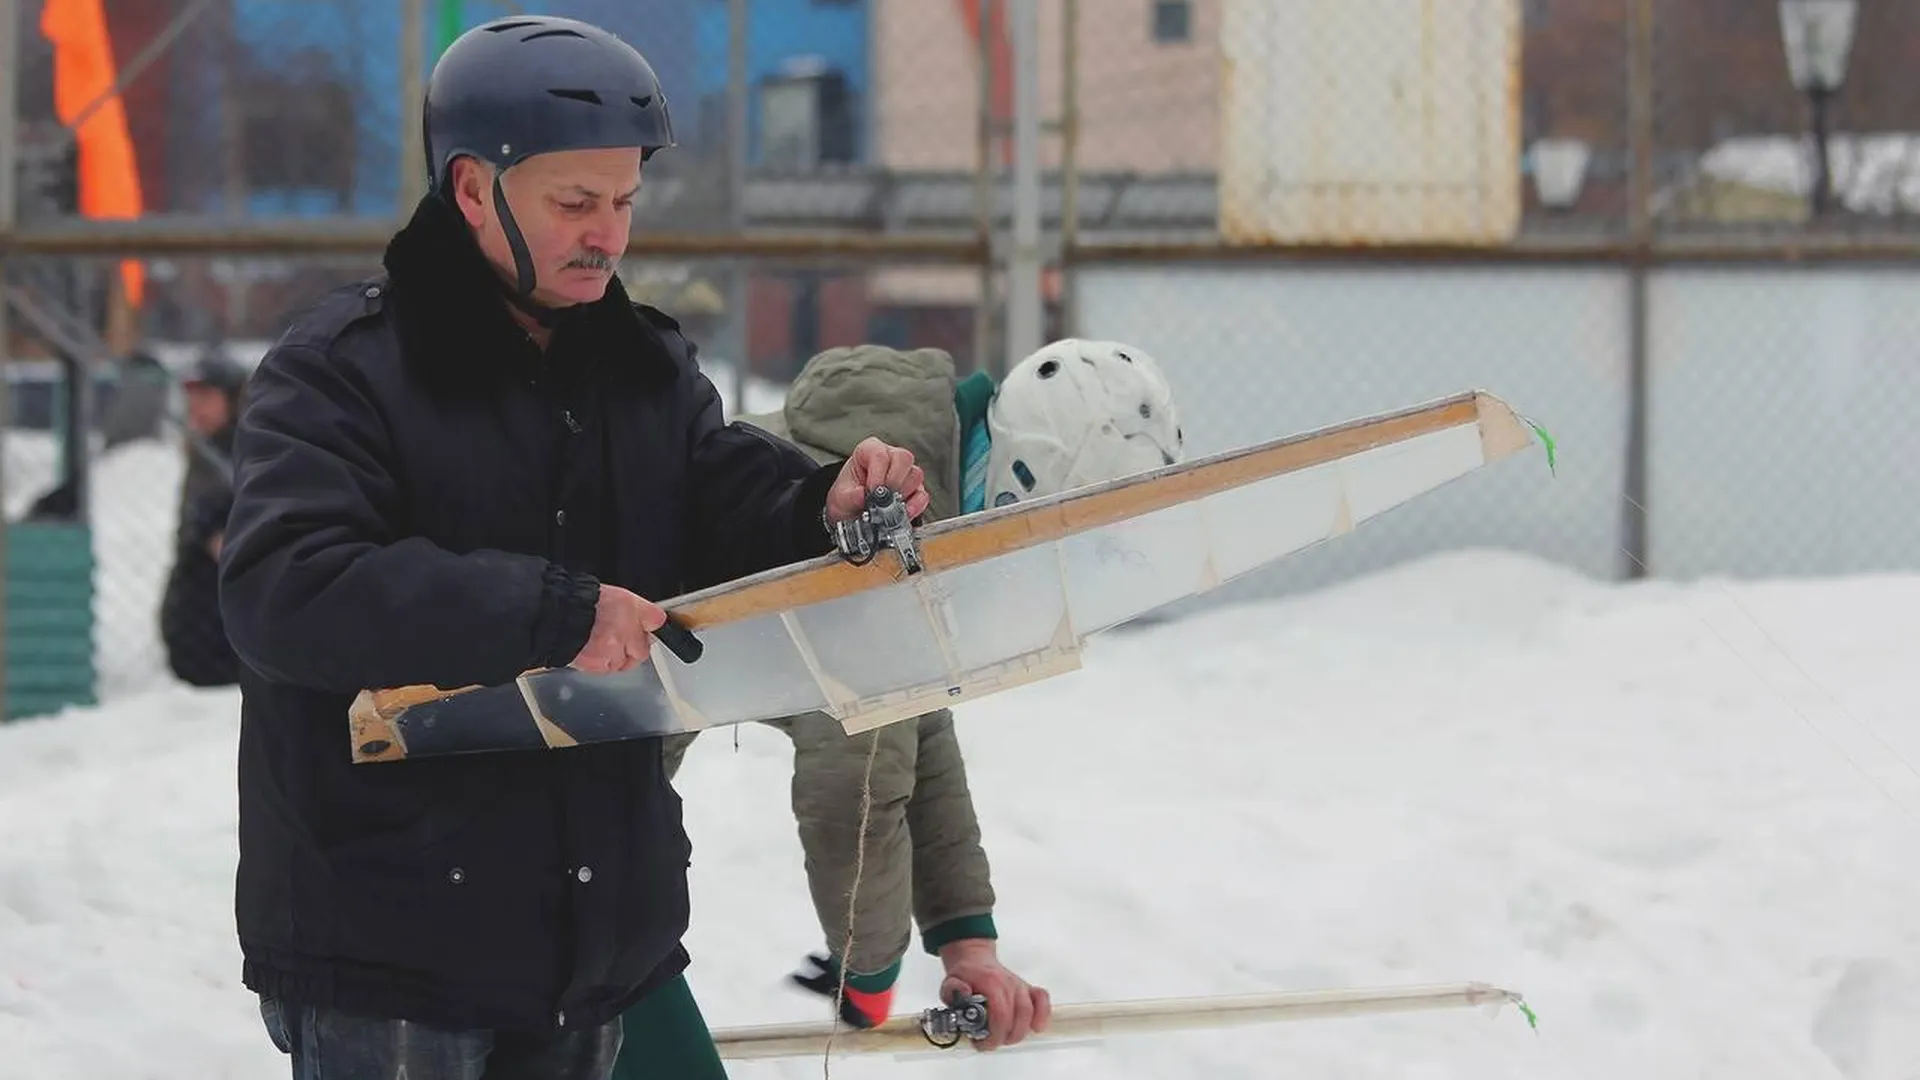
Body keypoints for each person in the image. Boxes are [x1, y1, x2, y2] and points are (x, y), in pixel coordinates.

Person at [215, 16, 930, 1080]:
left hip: (590, 939)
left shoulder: (637, 366)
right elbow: (287, 591)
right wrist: (552, 613)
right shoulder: (342, 371)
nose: (610, 234)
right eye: (576, 203)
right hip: (394, 944)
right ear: (471, 189)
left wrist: (822, 500)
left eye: (625, 201)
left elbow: (714, 492)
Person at [622, 338, 1184, 1076]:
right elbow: (852, 786)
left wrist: (966, 937)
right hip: (542, 791)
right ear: (1021, 494)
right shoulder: (879, 525)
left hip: (588, 817)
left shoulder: (919, 503)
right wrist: (869, 983)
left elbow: (914, 725)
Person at [159, 351, 248, 687]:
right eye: (191, 397)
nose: (196, 407)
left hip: (226, 639)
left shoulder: (246, 449)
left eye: (207, 396)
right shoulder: (206, 449)